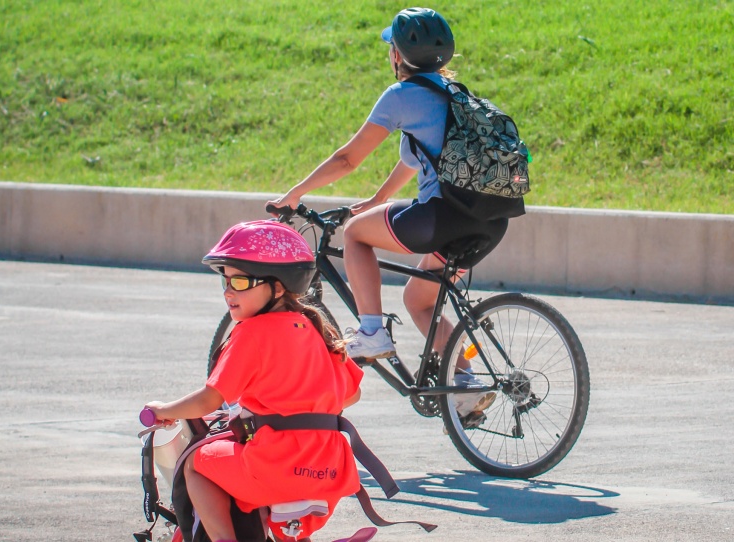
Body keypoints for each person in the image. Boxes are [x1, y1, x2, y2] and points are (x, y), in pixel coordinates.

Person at [267, 7, 504, 415]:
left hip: (442, 217)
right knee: (420, 299)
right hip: (491, 220)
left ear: (398, 55)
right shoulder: (456, 96)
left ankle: (372, 330)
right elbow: (414, 160)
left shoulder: (401, 96)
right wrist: (378, 200)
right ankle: (466, 381)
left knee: (357, 234)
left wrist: (296, 192)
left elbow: (347, 160)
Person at [144, 220, 363, 542]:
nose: (229, 291)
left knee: (194, 462)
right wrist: (298, 406)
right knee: (279, 514)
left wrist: (164, 411)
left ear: (277, 287)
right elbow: (352, 395)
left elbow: (209, 400)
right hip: (329, 469)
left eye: (242, 281)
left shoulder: (252, 332)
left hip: (275, 466)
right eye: (226, 281)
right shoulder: (316, 328)